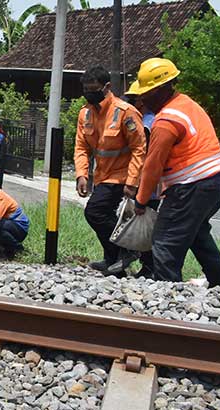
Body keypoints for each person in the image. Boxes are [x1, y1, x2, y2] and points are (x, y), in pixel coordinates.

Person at [130, 58, 220, 290]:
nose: (142, 99)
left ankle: (167, 292)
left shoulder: (166, 121)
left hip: (192, 186)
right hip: (217, 181)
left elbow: (153, 166)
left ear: (162, 88)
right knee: (196, 231)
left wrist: (140, 200)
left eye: (146, 93)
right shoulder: (187, 104)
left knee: (165, 239)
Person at [74, 66, 146, 276]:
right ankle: (113, 261)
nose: (89, 92)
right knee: (101, 214)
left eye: (93, 88)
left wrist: (132, 181)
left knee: (94, 212)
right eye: (86, 89)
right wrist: (81, 174)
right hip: (102, 177)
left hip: (122, 176)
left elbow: (139, 148)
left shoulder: (125, 112)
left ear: (106, 87)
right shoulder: (85, 114)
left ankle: (126, 249)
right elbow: (81, 147)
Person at [108, 81, 160, 278]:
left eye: (132, 99)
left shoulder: (147, 122)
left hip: (147, 183)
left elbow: (142, 154)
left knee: (144, 224)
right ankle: (148, 268)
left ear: (141, 100)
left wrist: (135, 182)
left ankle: (143, 262)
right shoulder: (153, 118)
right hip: (150, 182)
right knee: (147, 224)